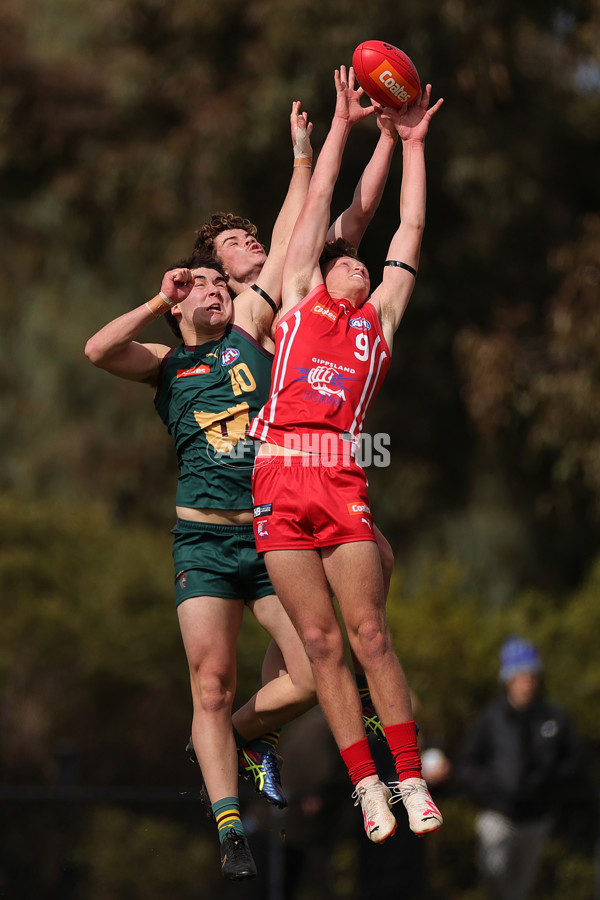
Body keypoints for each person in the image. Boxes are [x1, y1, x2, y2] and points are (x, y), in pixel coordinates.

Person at [85, 102, 319, 882]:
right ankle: (229, 828)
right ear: (183, 299)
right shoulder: (165, 362)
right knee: (209, 683)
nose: (218, 289)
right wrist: (160, 295)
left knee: (316, 676)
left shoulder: (251, 330)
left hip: (267, 536)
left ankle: (248, 735)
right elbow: (97, 349)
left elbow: (285, 243)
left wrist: (300, 158)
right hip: (203, 545)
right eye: (204, 284)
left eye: (223, 281)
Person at [248, 65, 444, 845]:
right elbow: (325, 205)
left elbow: (410, 229)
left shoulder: (381, 319)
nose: (361, 266)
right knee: (320, 643)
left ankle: (410, 777)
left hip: (339, 473)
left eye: (367, 265)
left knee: (368, 635)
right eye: (349, 261)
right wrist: (341, 127)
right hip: (277, 475)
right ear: (325, 269)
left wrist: (414, 144)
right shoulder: (297, 295)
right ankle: (366, 786)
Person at [456, 635, 587, 900]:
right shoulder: (490, 718)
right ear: (507, 679)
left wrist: (548, 783)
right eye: (520, 676)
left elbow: (575, 763)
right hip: (498, 817)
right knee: (493, 880)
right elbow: (467, 766)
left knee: (519, 891)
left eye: (531, 675)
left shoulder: (553, 718)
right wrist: (496, 788)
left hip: (536, 818)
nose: (526, 682)